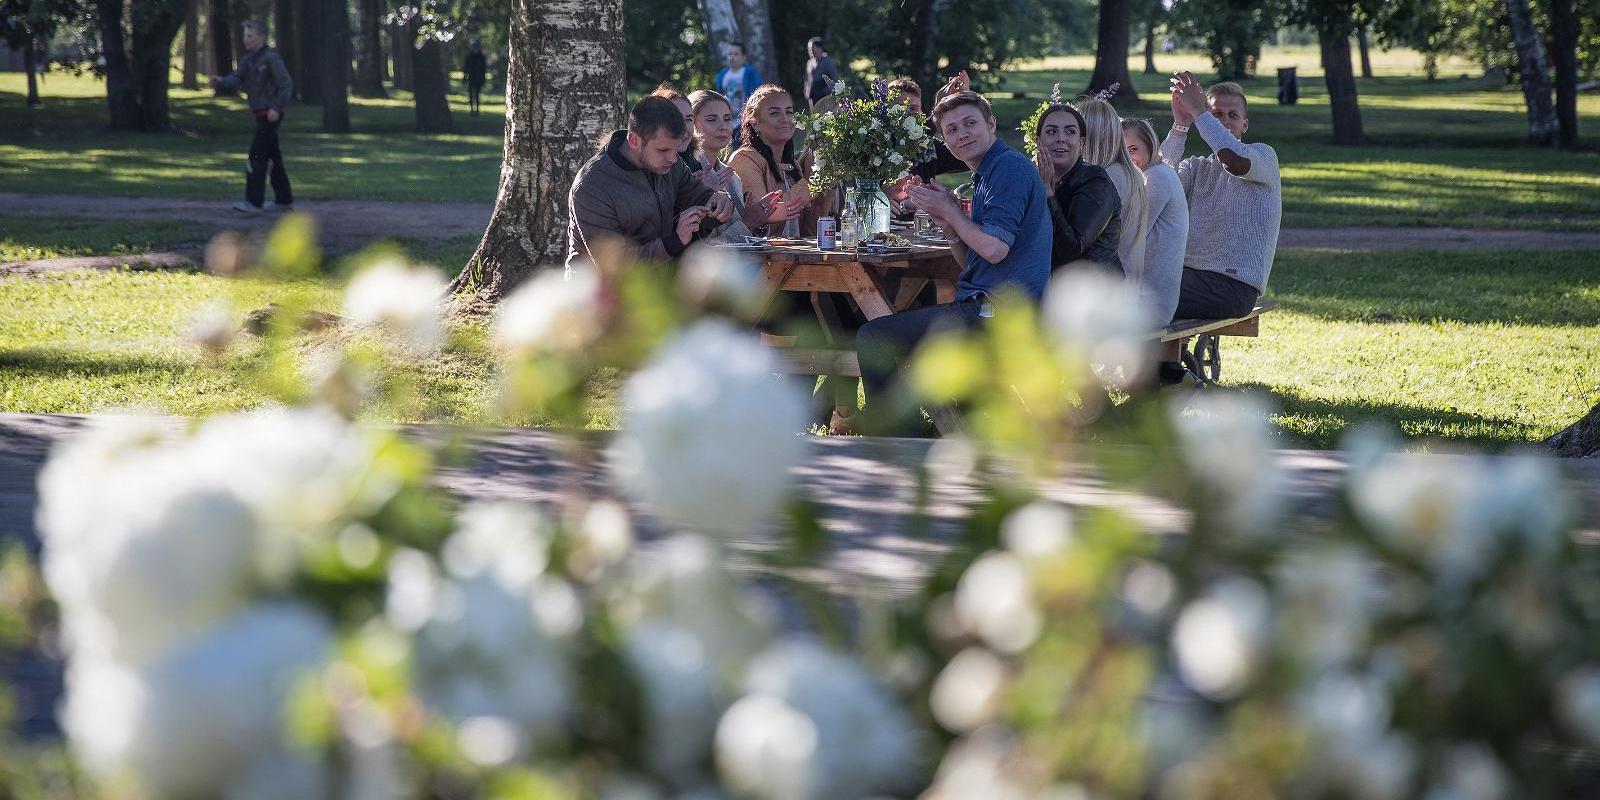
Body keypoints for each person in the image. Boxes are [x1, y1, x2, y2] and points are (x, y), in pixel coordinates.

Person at [856, 91, 1052, 430]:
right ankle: (927, 439)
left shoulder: (1008, 169)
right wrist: (947, 224)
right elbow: (972, 263)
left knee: (875, 338)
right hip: (989, 305)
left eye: (970, 124)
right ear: (945, 141)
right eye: (952, 130)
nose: (962, 134)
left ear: (991, 124)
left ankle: (899, 445)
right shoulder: (986, 173)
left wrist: (949, 210)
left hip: (1002, 313)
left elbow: (994, 250)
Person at [1157, 73, 1281, 383]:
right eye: (1216, 115)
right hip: (1189, 278)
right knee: (1132, 285)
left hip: (1231, 287)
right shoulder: (1197, 167)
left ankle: (1165, 377)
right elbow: (1156, 183)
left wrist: (1201, 112)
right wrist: (1180, 125)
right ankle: (1169, 375)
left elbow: (1233, 161)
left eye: (1232, 115)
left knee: (1137, 293)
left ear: (1245, 124)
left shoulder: (1262, 157)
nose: (1224, 121)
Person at [566, 96, 742, 268]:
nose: (673, 159)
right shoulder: (592, 186)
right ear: (634, 141)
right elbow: (615, 266)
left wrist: (717, 205)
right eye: (663, 150)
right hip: (600, 293)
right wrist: (675, 241)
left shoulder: (670, 163)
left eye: (676, 149)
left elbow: (696, 195)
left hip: (658, 283)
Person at [209, 20, 293, 215]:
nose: (245, 39)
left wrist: (276, 108)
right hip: (260, 114)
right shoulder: (249, 59)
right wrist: (220, 81)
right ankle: (284, 199)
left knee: (257, 155)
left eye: (250, 36)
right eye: (245, 35)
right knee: (273, 157)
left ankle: (253, 202)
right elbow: (236, 78)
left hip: (270, 114)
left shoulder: (271, 58)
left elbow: (286, 84)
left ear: (261, 37)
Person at [689, 88, 794, 241]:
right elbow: (703, 250)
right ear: (691, 125)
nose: (723, 126)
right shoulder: (689, 174)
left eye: (727, 119)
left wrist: (759, 221)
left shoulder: (732, 177)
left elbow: (744, 234)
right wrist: (748, 223)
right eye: (712, 119)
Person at [1030, 101, 1120, 273]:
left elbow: (1071, 250)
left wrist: (1048, 195)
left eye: (1070, 132)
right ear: (1038, 141)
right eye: (1051, 132)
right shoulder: (1032, 179)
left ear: (1081, 142)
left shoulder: (1095, 181)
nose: (1061, 139)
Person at [729, 85, 830, 238]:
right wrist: (810, 181)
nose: (785, 119)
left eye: (789, 112)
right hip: (757, 259)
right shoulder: (745, 159)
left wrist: (827, 187)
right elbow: (768, 215)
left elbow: (806, 233)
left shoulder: (793, 166)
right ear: (755, 123)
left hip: (790, 258)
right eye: (775, 113)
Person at [1122, 117, 1188, 328]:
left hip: (1149, 304)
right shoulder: (1151, 174)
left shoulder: (1156, 178)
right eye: (1121, 151)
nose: (1127, 158)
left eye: (1133, 150)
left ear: (1150, 146)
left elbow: (1127, 238)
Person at [1075, 98, 1148, 286]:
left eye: (1072, 131)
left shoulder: (1108, 178)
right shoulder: (1130, 172)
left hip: (1109, 291)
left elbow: (1078, 241)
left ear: (1088, 136)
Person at [716, 42, 762, 145]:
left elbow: (759, 94)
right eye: (730, 54)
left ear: (743, 57)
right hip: (729, 121)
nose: (732, 57)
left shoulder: (750, 73)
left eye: (736, 54)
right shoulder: (722, 76)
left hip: (747, 119)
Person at [650, 83, 702, 172]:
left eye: (689, 119)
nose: (684, 128)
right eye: (675, 120)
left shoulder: (694, 163)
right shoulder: (643, 165)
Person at [804, 37, 838, 110]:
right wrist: (807, 91)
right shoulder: (810, 62)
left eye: (812, 48)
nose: (810, 50)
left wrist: (828, 90)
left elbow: (834, 77)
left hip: (824, 93)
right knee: (814, 114)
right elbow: (807, 78)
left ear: (820, 48)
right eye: (809, 48)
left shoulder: (828, 61)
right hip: (812, 93)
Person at [464, 41, 488, 116]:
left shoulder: (482, 57)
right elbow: (466, 68)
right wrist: (465, 77)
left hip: (478, 78)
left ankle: (477, 110)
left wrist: (483, 79)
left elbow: (484, 69)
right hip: (471, 78)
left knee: (477, 95)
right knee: (471, 95)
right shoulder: (469, 57)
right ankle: (472, 110)